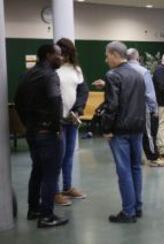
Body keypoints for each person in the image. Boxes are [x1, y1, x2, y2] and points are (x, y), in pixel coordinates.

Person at [14, 44, 69, 228]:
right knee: (50, 175)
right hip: (48, 134)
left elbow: (17, 102)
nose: (61, 58)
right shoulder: (50, 75)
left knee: (37, 171)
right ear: (48, 55)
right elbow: (55, 102)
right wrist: (55, 128)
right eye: (59, 55)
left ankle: (34, 209)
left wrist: (27, 124)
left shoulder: (27, 74)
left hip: (32, 133)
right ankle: (46, 216)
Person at [101, 41, 146, 223]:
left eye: (107, 55)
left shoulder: (112, 75)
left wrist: (106, 128)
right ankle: (137, 207)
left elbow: (112, 105)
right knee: (136, 168)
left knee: (124, 171)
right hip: (137, 127)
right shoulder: (138, 74)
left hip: (120, 130)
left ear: (114, 54)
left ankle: (128, 212)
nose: (106, 60)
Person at [54, 38, 89, 206]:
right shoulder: (53, 69)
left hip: (71, 120)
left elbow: (83, 90)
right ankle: (54, 192)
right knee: (57, 157)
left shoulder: (77, 69)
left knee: (68, 155)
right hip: (57, 120)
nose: (63, 57)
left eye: (66, 54)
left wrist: (78, 109)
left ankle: (67, 187)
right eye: (61, 54)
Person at [126, 48, 164, 167]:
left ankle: (135, 157)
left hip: (126, 110)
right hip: (142, 108)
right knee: (148, 134)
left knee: (132, 134)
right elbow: (149, 93)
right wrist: (154, 108)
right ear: (137, 57)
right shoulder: (143, 71)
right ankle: (153, 158)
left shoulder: (120, 70)